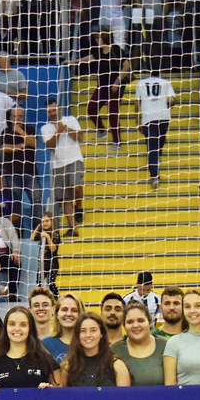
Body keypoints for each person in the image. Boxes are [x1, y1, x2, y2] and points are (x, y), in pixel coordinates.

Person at [77, 29, 129, 151]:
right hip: (103, 86)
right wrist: (74, 61)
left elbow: (126, 66)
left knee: (113, 113)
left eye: (98, 38)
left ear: (104, 38)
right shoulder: (99, 52)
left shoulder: (116, 50)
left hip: (116, 87)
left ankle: (117, 141)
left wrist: (117, 82)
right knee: (91, 108)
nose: (96, 41)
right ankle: (101, 130)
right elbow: (88, 58)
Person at [41, 98, 85, 237]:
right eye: (50, 111)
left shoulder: (71, 119)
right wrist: (58, 132)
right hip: (58, 165)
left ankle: (79, 206)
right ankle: (73, 228)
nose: (53, 113)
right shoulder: (45, 128)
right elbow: (50, 145)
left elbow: (80, 137)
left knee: (76, 186)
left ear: (59, 109)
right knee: (65, 198)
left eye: (54, 110)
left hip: (74, 159)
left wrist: (65, 127)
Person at [164, 290, 200, 389]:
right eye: (187, 307)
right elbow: (169, 387)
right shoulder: (173, 343)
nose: (192, 311)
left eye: (197, 306)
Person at [135, 68, 175, 189]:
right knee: (161, 139)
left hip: (149, 118)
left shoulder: (141, 83)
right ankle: (159, 155)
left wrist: (138, 122)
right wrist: (168, 105)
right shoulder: (165, 82)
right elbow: (172, 99)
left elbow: (137, 104)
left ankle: (154, 177)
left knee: (151, 147)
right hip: (164, 116)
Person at [113, 302, 167, 387]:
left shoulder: (165, 346)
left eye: (140, 320)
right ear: (124, 325)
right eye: (130, 322)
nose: (135, 325)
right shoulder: (114, 350)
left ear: (149, 321)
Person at [43, 293, 85, 363]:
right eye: (64, 310)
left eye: (74, 310)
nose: (68, 314)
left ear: (81, 314)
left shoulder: (87, 343)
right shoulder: (45, 344)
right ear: (57, 314)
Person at [31, 213, 60, 294]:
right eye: (43, 222)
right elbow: (32, 238)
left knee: (51, 284)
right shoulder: (42, 234)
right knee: (39, 283)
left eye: (47, 221)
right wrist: (38, 226)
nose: (45, 223)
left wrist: (47, 237)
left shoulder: (56, 233)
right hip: (42, 261)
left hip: (52, 262)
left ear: (52, 221)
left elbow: (53, 249)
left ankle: (57, 299)